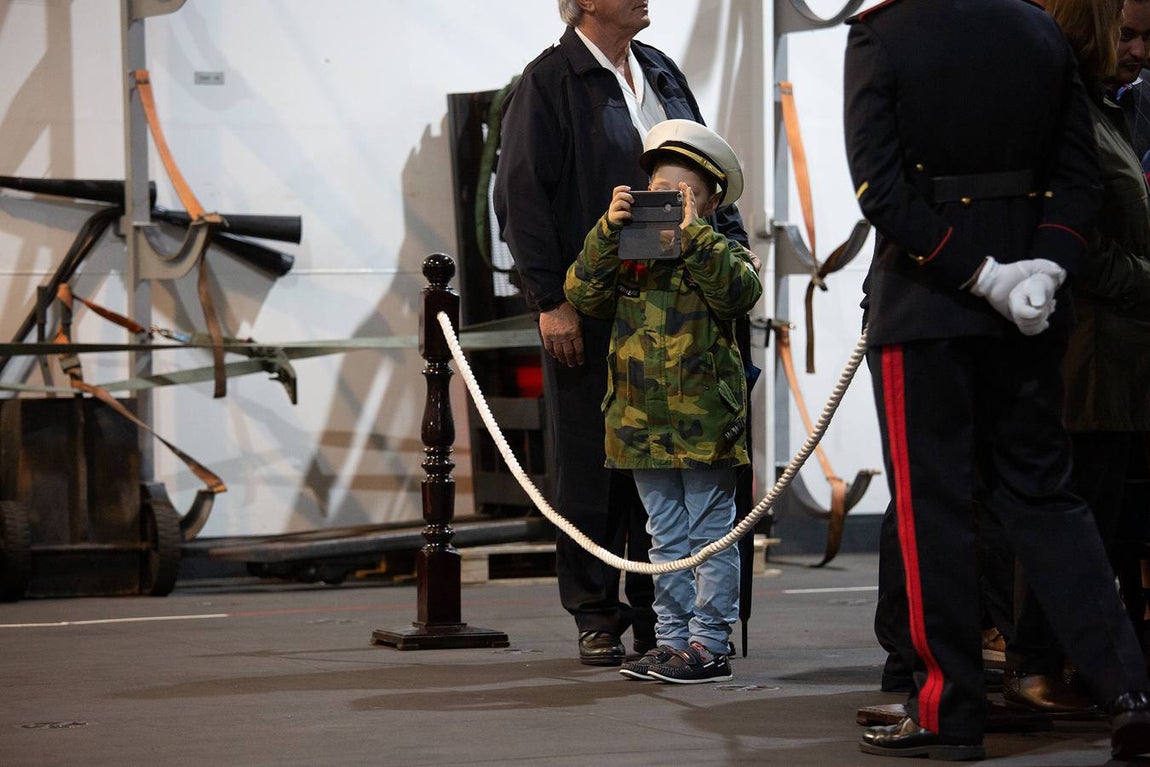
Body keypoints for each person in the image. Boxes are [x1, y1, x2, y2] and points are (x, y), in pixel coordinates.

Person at [843, 0, 1150, 759]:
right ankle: (1130, 693)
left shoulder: (883, 33)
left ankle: (949, 711)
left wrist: (977, 273)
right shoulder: (1038, 30)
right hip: (1030, 313)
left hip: (927, 307)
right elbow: (1077, 177)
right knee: (1049, 499)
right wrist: (1041, 266)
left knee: (935, 510)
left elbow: (882, 191)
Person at [493, 0, 750, 666]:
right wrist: (550, 299)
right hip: (600, 299)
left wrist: (734, 248)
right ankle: (596, 611)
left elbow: (710, 175)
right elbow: (520, 196)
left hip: (682, 312)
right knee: (591, 461)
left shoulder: (660, 71)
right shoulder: (548, 82)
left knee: (664, 476)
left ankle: (662, 622)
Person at [564, 120, 761, 684]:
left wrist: (696, 232)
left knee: (709, 533)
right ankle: (671, 641)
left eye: (684, 196)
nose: (669, 208)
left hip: (703, 421)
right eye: (659, 193)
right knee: (664, 536)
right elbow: (583, 293)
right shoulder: (629, 251)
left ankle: (709, 643)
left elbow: (737, 293)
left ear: (711, 199)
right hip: (639, 420)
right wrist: (607, 229)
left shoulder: (721, 250)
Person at [1003, 0, 1150, 710]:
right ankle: (1035, 666)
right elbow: (1077, 245)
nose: (1139, 50)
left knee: (1104, 520)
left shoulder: (1107, 111)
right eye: (1126, 33)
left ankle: (1078, 668)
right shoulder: (1075, 116)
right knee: (1073, 518)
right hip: (1085, 356)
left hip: (1118, 357)